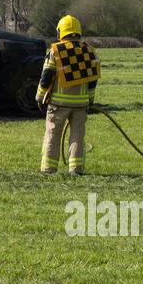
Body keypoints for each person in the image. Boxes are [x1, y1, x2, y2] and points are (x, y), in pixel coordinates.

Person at [37, 15, 100, 176]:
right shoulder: (89, 51)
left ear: (60, 32)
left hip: (58, 103)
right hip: (80, 105)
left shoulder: (56, 51)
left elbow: (46, 76)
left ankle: (48, 169)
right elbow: (92, 82)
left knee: (53, 134)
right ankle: (76, 170)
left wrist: (39, 97)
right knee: (78, 135)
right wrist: (90, 101)